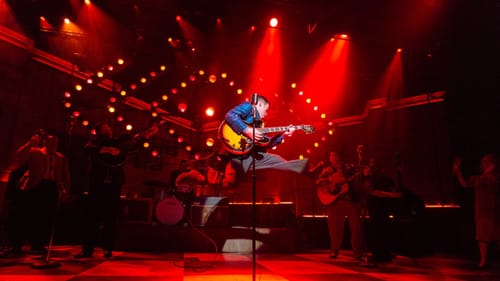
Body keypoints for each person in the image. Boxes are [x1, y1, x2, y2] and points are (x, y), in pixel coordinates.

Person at [75, 121, 158, 259]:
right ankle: (87, 249)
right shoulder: (95, 142)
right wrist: (106, 150)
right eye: (105, 126)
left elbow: (134, 141)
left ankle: (107, 248)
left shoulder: (119, 141)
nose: (109, 127)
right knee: (92, 217)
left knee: (110, 217)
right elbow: (87, 149)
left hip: (113, 183)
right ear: (100, 130)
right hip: (97, 183)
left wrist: (148, 133)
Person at [223, 94, 308, 175]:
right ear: (259, 105)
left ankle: (306, 170)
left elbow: (266, 144)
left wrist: (284, 135)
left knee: (276, 159)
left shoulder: (260, 124)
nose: (266, 114)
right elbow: (230, 115)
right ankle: (306, 169)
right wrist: (246, 130)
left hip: (247, 156)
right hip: (235, 152)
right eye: (266, 110)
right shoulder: (249, 107)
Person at [13, 133, 69, 255]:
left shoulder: (60, 157)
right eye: (51, 142)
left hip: (51, 187)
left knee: (46, 217)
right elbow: (19, 156)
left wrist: (65, 189)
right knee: (26, 215)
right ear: (45, 142)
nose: (54, 145)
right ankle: (17, 244)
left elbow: (64, 175)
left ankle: (38, 244)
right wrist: (30, 143)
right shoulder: (35, 152)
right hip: (35, 185)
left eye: (56, 143)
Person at [453, 153, 500, 268]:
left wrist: (489, 171)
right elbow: (465, 184)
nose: (484, 165)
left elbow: (491, 182)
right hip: (481, 209)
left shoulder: (494, 178)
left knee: (496, 233)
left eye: (487, 163)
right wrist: (458, 172)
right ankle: (483, 260)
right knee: (482, 236)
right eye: (483, 163)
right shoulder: (478, 178)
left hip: (493, 209)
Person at [315, 151, 364, 260]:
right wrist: (330, 180)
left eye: (335, 155)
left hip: (350, 200)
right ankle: (334, 250)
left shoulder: (349, 168)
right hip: (334, 201)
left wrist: (360, 176)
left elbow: (356, 180)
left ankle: (358, 253)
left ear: (340, 157)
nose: (333, 157)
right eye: (331, 155)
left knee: (356, 227)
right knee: (334, 228)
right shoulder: (327, 170)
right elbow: (318, 182)